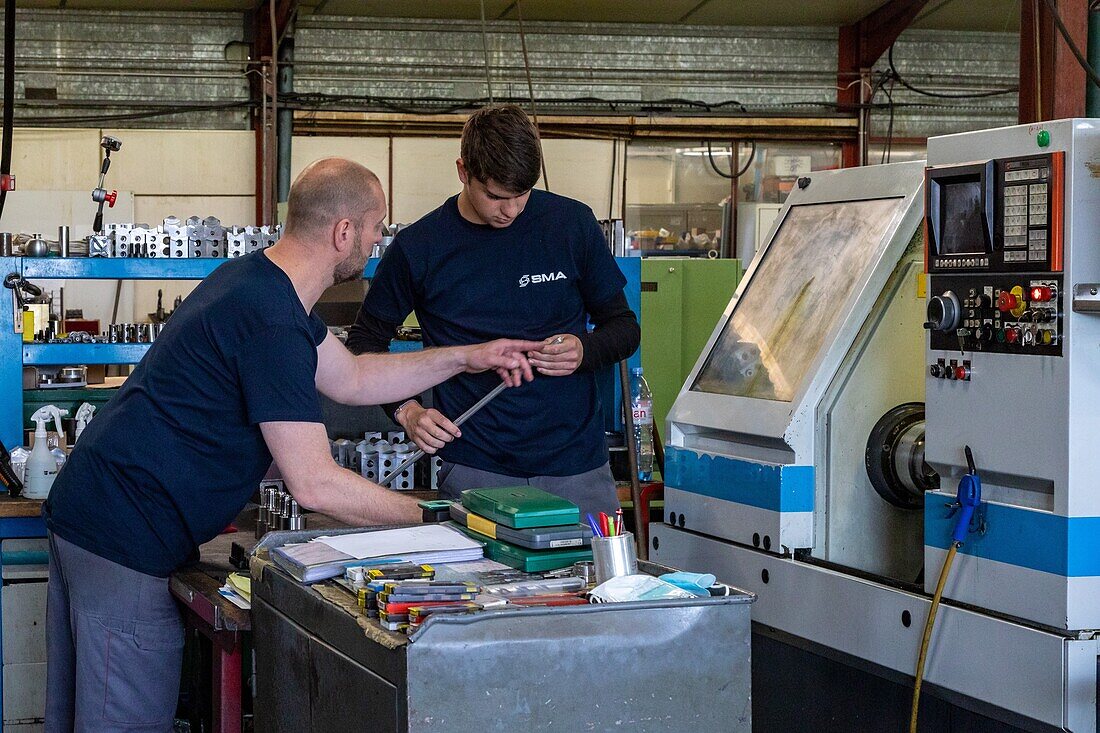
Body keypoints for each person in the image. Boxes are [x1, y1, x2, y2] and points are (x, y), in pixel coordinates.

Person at [42, 157, 541, 732]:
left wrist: (464, 356)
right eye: (377, 227)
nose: (380, 242)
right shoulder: (271, 319)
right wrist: (443, 519)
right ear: (343, 231)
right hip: (122, 538)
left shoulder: (261, 285)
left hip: (93, 515)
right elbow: (314, 482)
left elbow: (353, 379)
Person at [347, 105, 640, 517]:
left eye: (522, 195)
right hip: (475, 468)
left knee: (601, 582)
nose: (512, 210)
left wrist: (583, 349)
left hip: (578, 468)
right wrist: (407, 411)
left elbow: (624, 328)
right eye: (496, 196)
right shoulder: (421, 247)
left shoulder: (570, 225)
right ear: (463, 171)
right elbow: (364, 344)